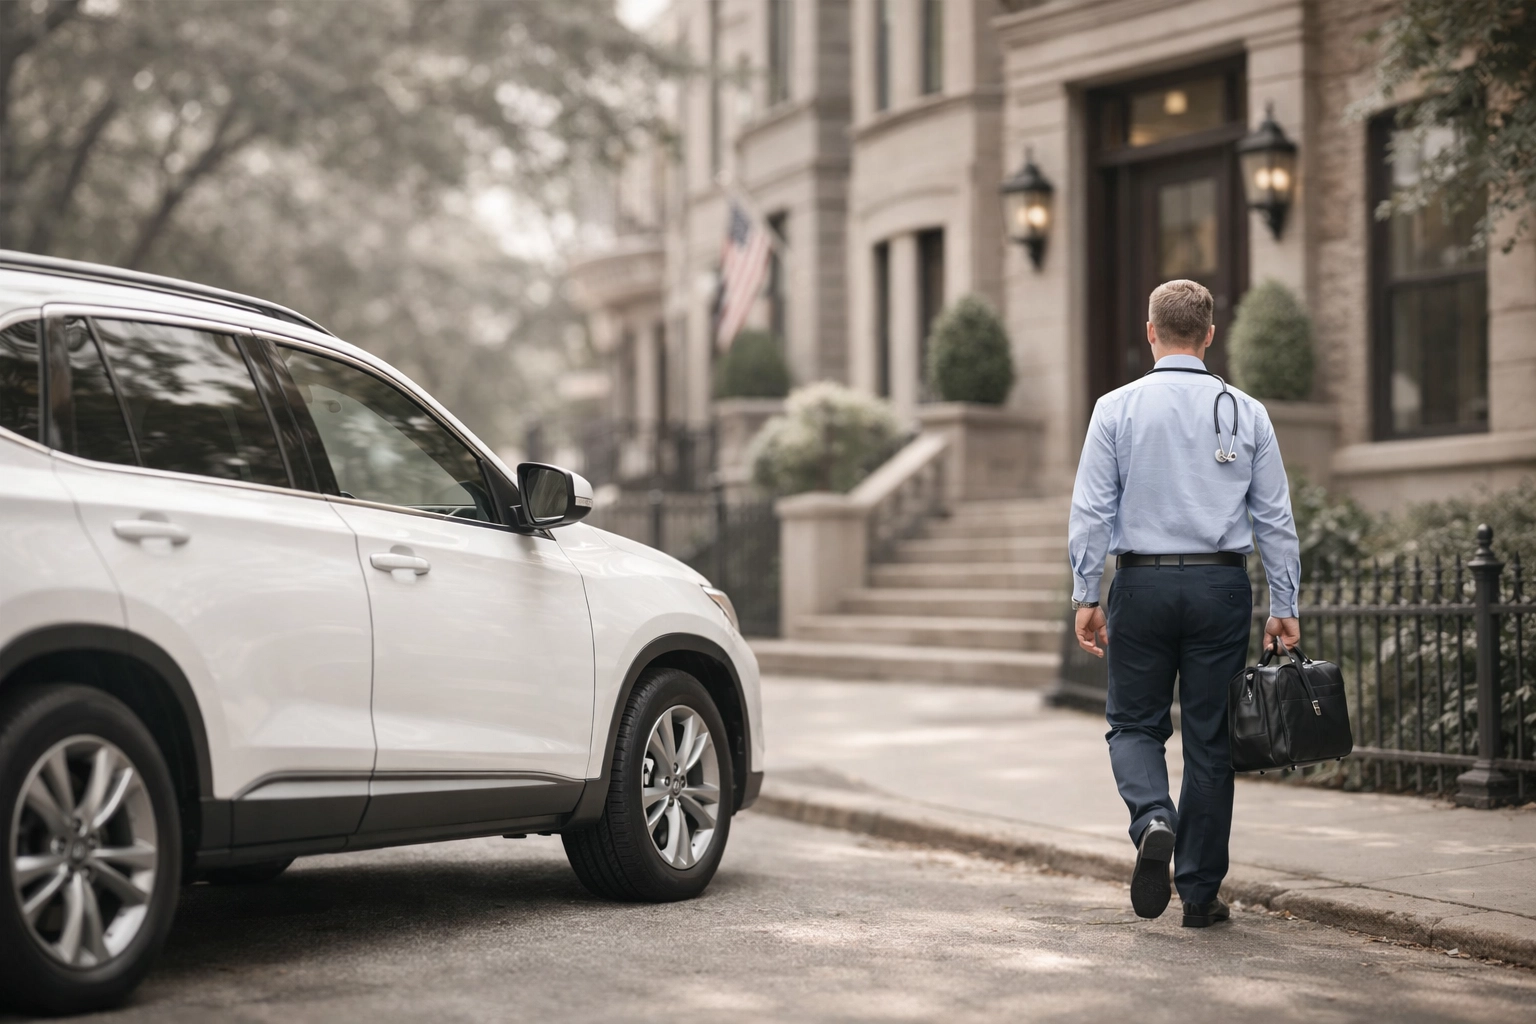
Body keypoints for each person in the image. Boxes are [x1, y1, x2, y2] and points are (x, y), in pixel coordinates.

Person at [1066, 279, 1301, 927]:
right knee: (1210, 740)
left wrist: (1088, 592)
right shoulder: (1246, 411)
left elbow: (1090, 510)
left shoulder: (1115, 408)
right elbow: (1275, 518)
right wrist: (1285, 602)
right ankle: (1199, 895)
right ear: (1209, 335)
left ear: (1151, 331)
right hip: (1220, 586)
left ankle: (1152, 818)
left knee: (1135, 724)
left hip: (1140, 584)